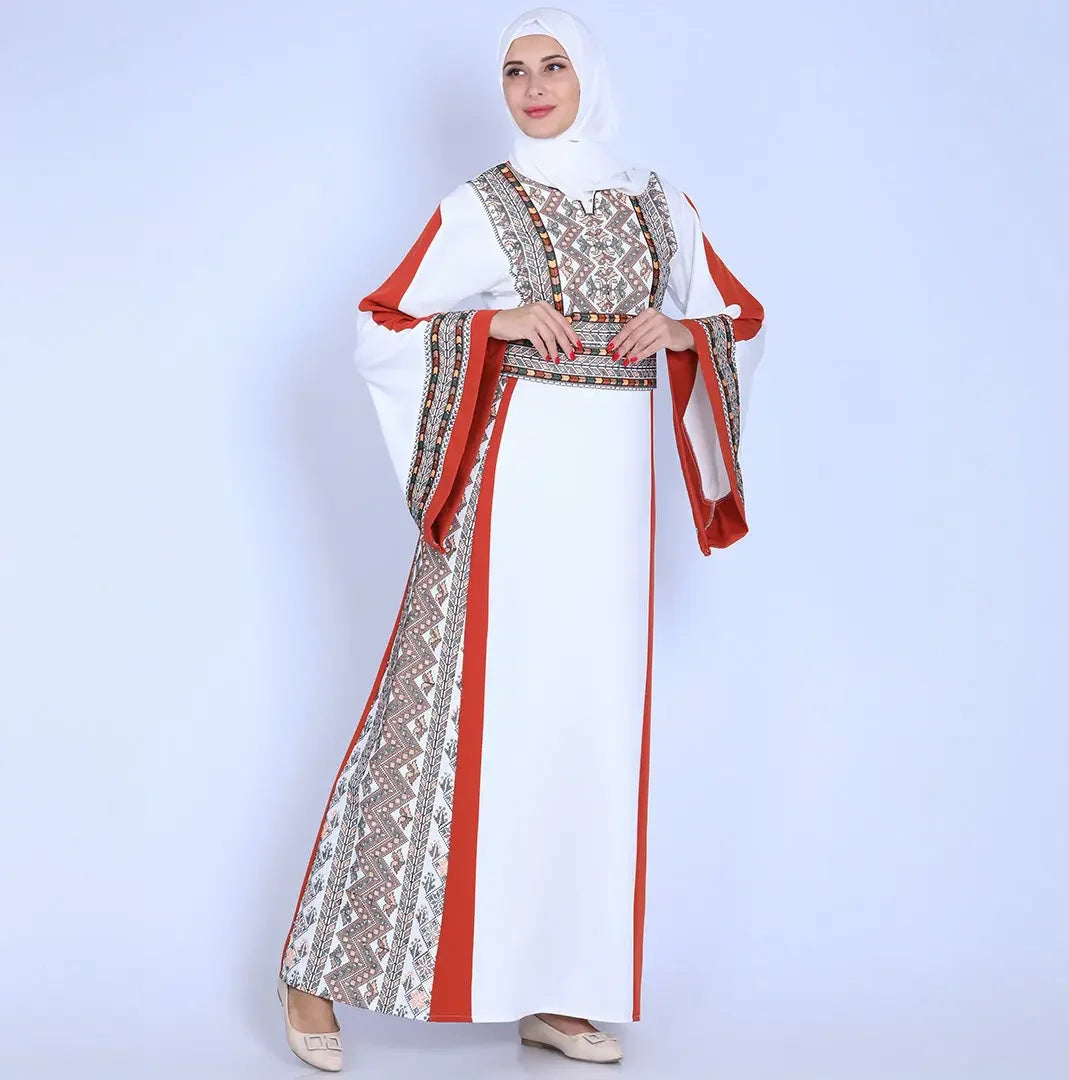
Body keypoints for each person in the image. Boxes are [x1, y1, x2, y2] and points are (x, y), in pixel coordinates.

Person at [275, 6, 765, 1072]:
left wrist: (682, 330)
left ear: (589, 77)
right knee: (438, 718)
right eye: (514, 71)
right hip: (508, 491)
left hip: (610, 508)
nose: (534, 88)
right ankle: (313, 971)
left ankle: (555, 988)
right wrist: (490, 321)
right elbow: (382, 322)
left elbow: (742, 320)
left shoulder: (658, 203)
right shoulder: (482, 205)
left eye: (553, 67)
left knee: (584, 731)